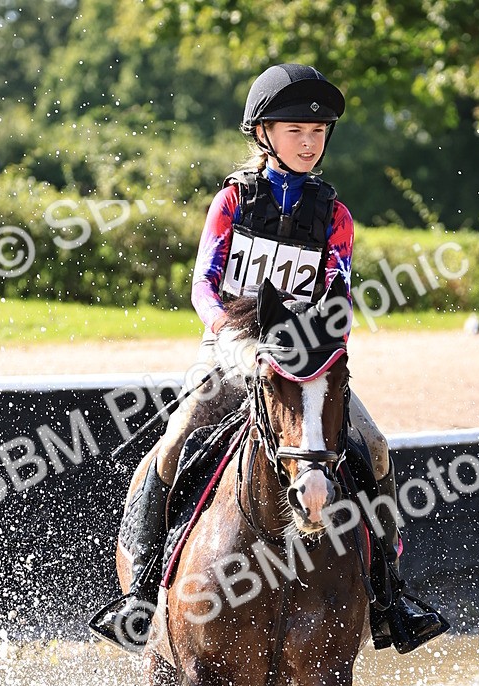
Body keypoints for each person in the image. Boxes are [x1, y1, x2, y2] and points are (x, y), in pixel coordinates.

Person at [93, 63, 446, 653]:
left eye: (318, 133)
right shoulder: (232, 200)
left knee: (375, 447)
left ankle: (391, 600)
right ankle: (140, 599)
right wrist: (237, 338)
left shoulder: (335, 216)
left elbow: (339, 294)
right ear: (263, 135)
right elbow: (203, 286)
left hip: (306, 358)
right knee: (176, 439)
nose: (309, 143)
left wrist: (322, 345)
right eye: (294, 132)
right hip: (233, 351)